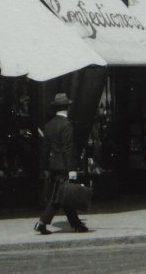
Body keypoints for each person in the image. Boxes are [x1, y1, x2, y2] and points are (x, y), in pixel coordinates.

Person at [33, 92, 88, 235]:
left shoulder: (49, 125)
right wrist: (72, 169)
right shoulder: (67, 125)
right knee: (59, 196)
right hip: (64, 166)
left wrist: (44, 167)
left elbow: (44, 148)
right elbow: (68, 148)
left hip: (53, 166)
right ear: (68, 107)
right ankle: (42, 222)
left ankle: (76, 225)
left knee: (62, 195)